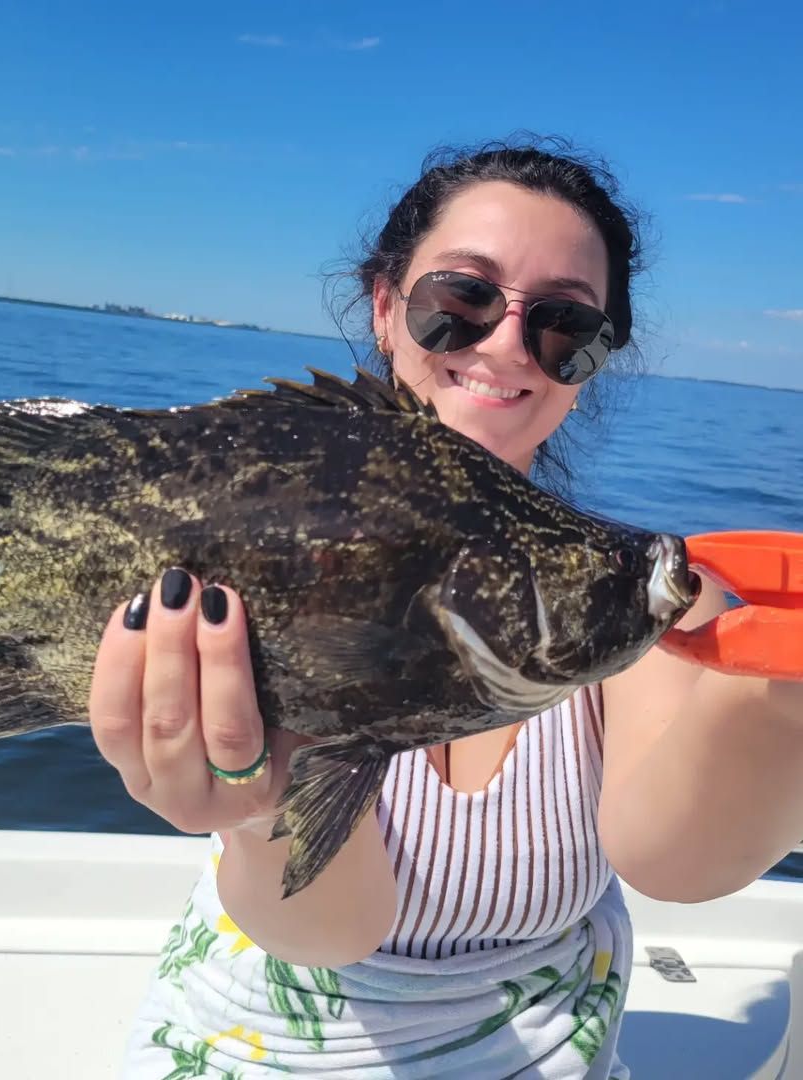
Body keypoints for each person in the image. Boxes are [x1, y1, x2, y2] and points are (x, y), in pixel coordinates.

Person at [88, 138, 803, 1078]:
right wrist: (257, 815)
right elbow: (331, 931)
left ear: (592, 360)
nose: (506, 345)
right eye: (459, 300)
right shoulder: (260, 546)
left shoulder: (624, 590)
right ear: (387, 306)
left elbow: (679, 862)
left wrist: (781, 691)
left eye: (563, 326)